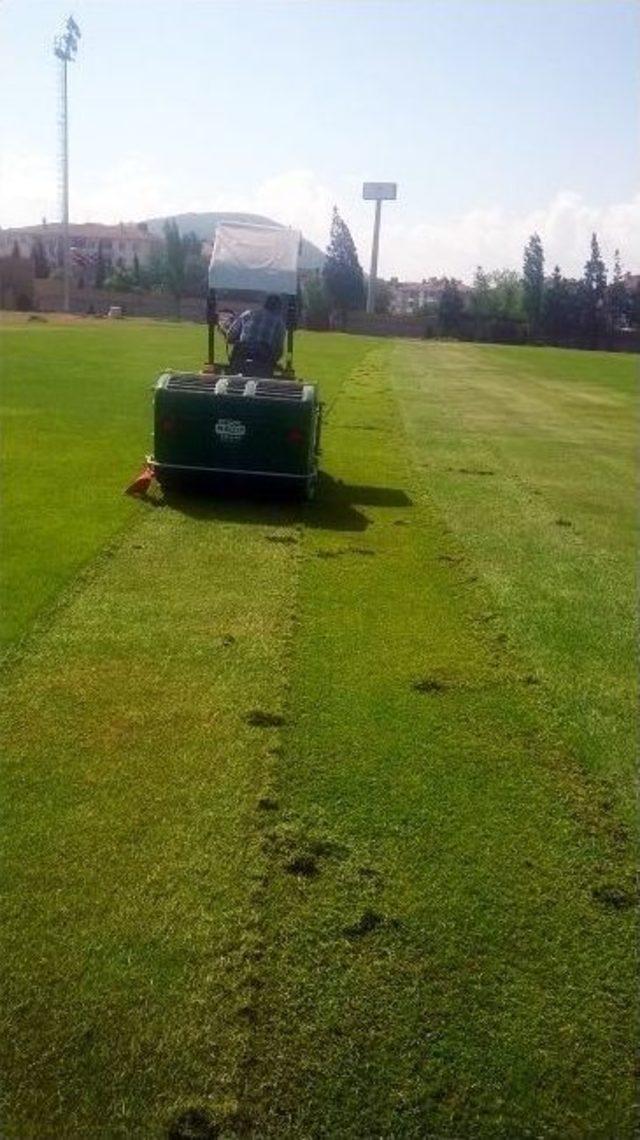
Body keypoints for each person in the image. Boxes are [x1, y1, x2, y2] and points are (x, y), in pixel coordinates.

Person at [226, 294, 286, 373]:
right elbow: (278, 350)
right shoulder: (279, 323)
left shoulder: (248, 314)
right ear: (278, 308)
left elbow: (230, 336)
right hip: (263, 360)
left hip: (241, 355)